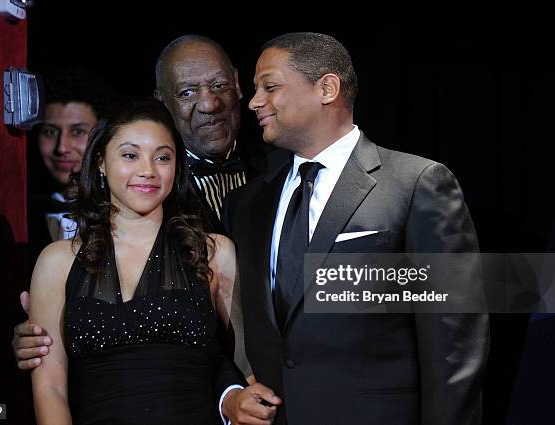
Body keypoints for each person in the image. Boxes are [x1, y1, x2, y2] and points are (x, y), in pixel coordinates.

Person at [223, 32, 489, 424]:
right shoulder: (247, 204)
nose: (254, 101)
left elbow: (454, 343)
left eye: (270, 86)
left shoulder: (416, 184)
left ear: (327, 88)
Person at [29, 98, 279, 424]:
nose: (147, 170)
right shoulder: (57, 261)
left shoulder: (215, 254)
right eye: (130, 155)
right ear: (101, 162)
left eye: (162, 157)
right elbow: (50, 388)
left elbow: (247, 369)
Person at [154, 34, 271, 232]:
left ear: (237, 84)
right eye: (187, 93)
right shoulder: (152, 185)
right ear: (163, 104)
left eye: (219, 85)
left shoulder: (282, 166)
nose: (209, 105)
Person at [28, 68, 114, 265]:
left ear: (102, 136)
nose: (62, 147)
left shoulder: (126, 212)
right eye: (50, 132)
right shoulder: (22, 213)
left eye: (77, 131)